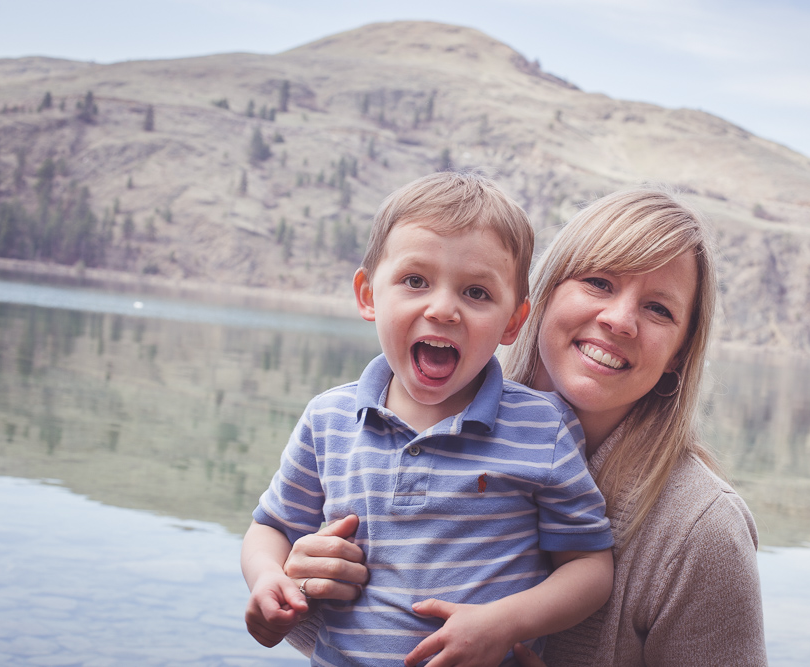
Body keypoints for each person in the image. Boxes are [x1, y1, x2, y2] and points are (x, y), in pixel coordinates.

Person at [282, 187, 768, 666]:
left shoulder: (703, 530)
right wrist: (303, 580)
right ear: (543, 296)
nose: (620, 320)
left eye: (658, 309)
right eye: (599, 282)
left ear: (679, 353)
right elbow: (359, 638)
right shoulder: (388, 420)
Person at [241, 171, 615, 667]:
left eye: (476, 293)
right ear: (368, 294)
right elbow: (270, 528)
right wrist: (269, 578)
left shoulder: (541, 428)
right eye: (415, 281)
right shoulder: (328, 419)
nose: (443, 309)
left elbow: (590, 567)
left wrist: (507, 622)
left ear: (513, 321)